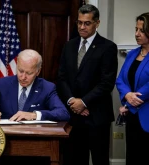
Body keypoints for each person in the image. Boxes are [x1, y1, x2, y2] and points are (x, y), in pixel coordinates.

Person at [57, 4, 118, 165]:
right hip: (72, 116)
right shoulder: (69, 45)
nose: (82, 27)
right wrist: (72, 101)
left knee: (100, 160)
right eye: (79, 22)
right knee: (74, 159)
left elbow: (107, 83)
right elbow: (61, 78)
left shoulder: (108, 47)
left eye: (87, 23)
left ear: (97, 23)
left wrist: (83, 102)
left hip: (97, 116)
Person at [0, 49, 70, 122]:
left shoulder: (47, 88)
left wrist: (34, 115)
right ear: (16, 66)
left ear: (38, 71)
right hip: (5, 139)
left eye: (29, 73)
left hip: (35, 141)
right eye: (20, 71)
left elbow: (63, 113)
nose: (23, 77)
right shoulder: (2, 85)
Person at [116, 12, 149, 165]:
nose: (136, 34)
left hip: (146, 115)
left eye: (141, 30)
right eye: (136, 29)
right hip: (132, 116)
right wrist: (127, 95)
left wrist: (129, 102)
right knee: (133, 156)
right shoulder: (133, 54)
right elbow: (120, 79)